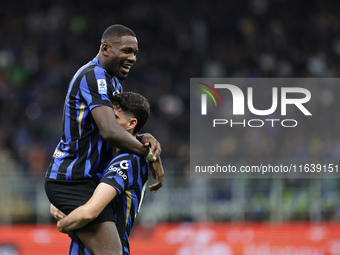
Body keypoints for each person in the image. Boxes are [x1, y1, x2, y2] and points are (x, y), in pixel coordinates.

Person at [45, 24, 164, 254]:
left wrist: (144, 137)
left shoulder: (114, 83)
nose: (132, 58)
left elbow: (115, 131)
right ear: (106, 48)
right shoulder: (92, 76)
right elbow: (110, 131)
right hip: (73, 179)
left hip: (86, 180)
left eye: (135, 53)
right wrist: (149, 154)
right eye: (127, 51)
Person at [52, 92, 163, 255]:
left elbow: (90, 212)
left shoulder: (130, 160)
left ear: (131, 123)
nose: (106, 121)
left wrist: (63, 225)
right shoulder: (101, 151)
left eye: (115, 118)